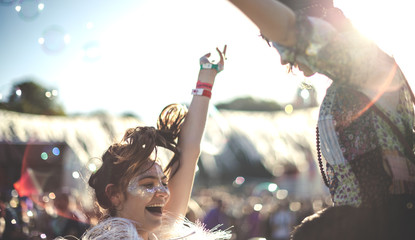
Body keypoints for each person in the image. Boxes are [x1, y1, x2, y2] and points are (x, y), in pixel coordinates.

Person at [227, 0, 415, 237]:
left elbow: (292, 31)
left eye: (275, 42)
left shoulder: (370, 62)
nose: (284, 59)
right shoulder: (355, 74)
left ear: (316, 22)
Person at [57, 46, 231, 240]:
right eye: (148, 184)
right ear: (115, 194)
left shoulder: (160, 232)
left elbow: (189, 151)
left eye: (163, 183)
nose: (163, 192)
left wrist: (206, 76)